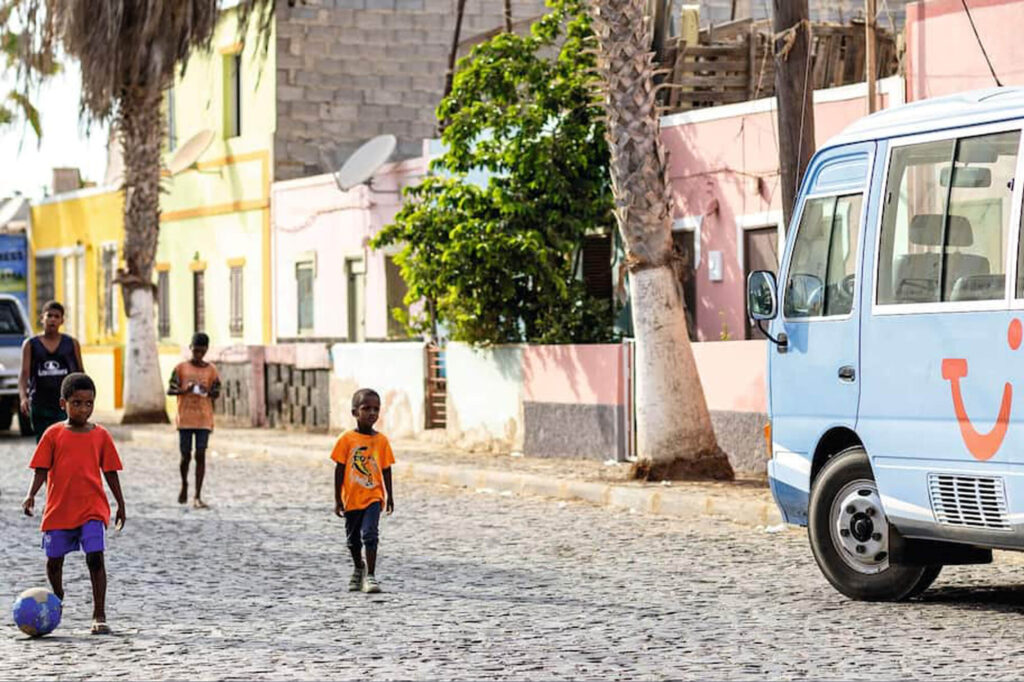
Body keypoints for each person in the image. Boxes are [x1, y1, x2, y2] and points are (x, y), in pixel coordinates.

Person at [22, 372, 126, 635]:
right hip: (60, 508)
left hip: (92, 507)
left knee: (95, 558)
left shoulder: (101, 435)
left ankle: (99, 614)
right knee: (54, 560)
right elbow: (41, 469)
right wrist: (31, 494)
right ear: (63, 404)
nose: (83, 409)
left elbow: (110, 471)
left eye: (89, 403)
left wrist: (120, 504)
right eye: (77, 403)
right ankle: (57, 596)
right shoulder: (53, 435)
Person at [332, 388, 395, 594]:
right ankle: (359, 567)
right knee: (352, 541)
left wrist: (389, 495)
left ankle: (371, 576)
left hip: (373, 497)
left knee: (370, 534)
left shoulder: (382, 441)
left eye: (376, 409)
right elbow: (339, 469)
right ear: (354, 412)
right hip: (351, 498)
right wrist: (337, 499)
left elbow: (386, 468)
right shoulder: (346, 439)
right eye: (366, 408)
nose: (372, 413)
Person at [167, 332, 220, 508]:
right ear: (191, 348)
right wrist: (185, 390)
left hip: (204, 419)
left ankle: (197, 495)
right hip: (185, 419)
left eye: (201, 351)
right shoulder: (180, 369)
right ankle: (184, 484)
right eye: (195, 350)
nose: (198, 354)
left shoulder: (211, 370)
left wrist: (208, 390)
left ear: (206, 350)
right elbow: (171, 390)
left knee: (201, 454)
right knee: (185, 456)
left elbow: (217, 392)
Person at [19, 300, 84, 442]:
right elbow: (24, 374)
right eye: (49, 316)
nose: (52, 319)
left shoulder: (71, 344)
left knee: (65, 442)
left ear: (62, 320)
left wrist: (83, 401)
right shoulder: (30, 344)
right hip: (39, 404)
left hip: (64, 404)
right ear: (42, 318)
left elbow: (80, 373)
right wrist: (23, 397)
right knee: (44, 443)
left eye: (56, 316)